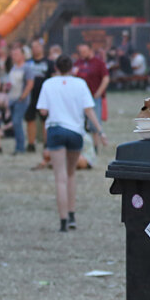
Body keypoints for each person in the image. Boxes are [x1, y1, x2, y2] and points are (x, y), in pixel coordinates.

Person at [37, 55, 108, 232]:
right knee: (71, 175)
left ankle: (62, 222)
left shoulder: (48, 84)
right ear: (72, 68)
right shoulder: (80, 84)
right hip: (76, 132)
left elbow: (43, 110)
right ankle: (72, 215)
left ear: (56, 68)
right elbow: (89, 110)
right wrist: (100, 131)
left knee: (59, 178)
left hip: (55, 130)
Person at [4, 45, 31, 154]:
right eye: (13, 54)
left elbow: (30, 84)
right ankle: (18, 146)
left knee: (17, 122)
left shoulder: (27, 68)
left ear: (22, 55)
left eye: (16, 54)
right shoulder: (13, 68)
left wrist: (22, 97)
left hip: (21, 99)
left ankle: (20, 147)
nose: (14, 56)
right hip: (12, 98)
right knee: (16, 123)